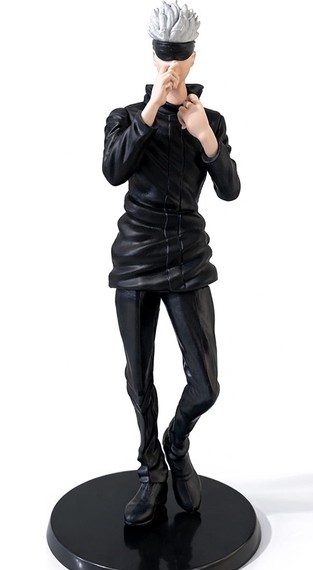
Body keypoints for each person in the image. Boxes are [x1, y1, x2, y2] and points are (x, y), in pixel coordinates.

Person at [102, 0, 240, 526]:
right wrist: (150, 111)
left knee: (205, 385)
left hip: (187, 258)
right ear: (153, 57)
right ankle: (151, 469)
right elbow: (113, 170)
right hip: (136, 256)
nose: (171, 68)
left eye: (179, 59)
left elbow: (230, 189)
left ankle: (176, 443)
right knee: (139, 379)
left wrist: (205, 135)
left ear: (193, 59)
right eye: (163, 58)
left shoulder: (210, 120)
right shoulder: (124, 117)